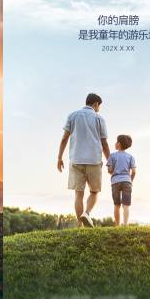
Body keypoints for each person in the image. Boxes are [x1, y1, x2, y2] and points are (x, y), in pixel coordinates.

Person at [57, 92, 110, 227]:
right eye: (99, 106)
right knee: (94, 192)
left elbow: (64, 138)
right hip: (94, 160)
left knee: (78, 194)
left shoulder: (72, 115)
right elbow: (104, 143)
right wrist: (109, 161)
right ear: (96, 104)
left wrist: (59, 157)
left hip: (76, 160)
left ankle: (79, 226)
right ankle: (87, 213)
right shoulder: (99, 119)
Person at [107, 134, 137, 226]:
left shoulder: (112, 156)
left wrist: (113, 170)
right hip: (127, 181)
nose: (115, 143)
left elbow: (110, 170)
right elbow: (134, 171)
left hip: (115, 181)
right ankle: (125, 224)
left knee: (117, 204)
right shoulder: (130, 157)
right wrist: (130, 180)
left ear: (119, 144)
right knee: (126, 205)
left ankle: (117, 225)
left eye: (116, 142)